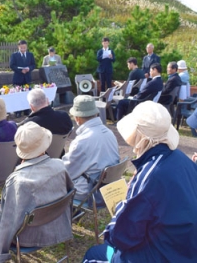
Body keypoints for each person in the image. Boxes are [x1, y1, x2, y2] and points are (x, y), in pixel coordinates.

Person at [83, 101, 197, 263]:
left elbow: (121, 237)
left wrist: (123, 203)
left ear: (139, 137)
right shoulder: (180, 158)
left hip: (162, 255)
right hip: (185, 248)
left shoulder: (150, 175)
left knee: (93, 254)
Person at [0, 122, 73, 261]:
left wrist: (1, 252)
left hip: (25, 236)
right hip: (55, 225)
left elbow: (7, 222)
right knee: (0, 205)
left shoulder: (19, 181)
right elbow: (69, 194)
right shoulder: (60, 165)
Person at [62, 95, 119, 201]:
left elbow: (67, 173)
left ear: (77, 118)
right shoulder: (109, 133)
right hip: (108, 189)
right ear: (96, 113)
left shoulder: (82, 141)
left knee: (52, 183)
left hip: (89, 192)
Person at [9, 40, 36, 117]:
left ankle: (27, 110)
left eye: (24, 47)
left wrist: (29, 69)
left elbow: (33, 65)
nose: (23, 49)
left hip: (27, 77)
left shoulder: (30, 55)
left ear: (26, 47)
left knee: (27, 94)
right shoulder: (14, 55)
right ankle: (18, 111)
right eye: (21, 48)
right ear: (18, 47)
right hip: (18, 77)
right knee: (18, 95)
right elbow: (12, 65)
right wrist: (21, 70)